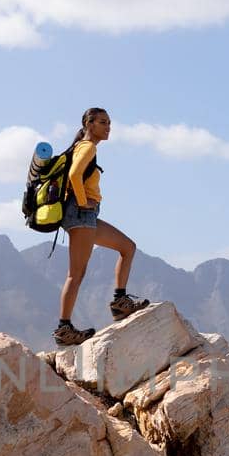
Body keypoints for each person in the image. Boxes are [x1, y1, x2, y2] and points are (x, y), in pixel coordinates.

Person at [54, 107, 150, 345]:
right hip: (81, 214)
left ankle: (120, 303)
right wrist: (84, 201)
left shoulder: (81, 147)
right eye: (103, 122)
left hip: (85, 215)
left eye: (109, 123)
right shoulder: (87, 147)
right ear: (89, 124)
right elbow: (75, 175)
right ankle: (64, 329)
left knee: (128, 247)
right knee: (75, 274)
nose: (108, 127)